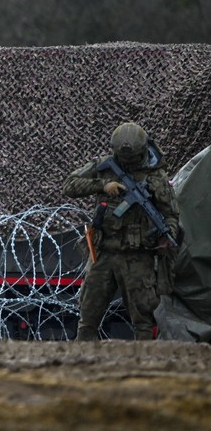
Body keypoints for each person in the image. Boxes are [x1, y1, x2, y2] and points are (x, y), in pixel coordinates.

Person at [62, 122, 180, 341]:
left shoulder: (156, 178)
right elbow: (69, 185)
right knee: (88, 316)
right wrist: (103, 185)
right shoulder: (104, 166)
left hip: (137, 256)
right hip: (104, 252)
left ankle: (143, 368)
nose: (128, 163)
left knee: (143, 320)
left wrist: (167, 235)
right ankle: (80, 366)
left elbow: (171, 214)